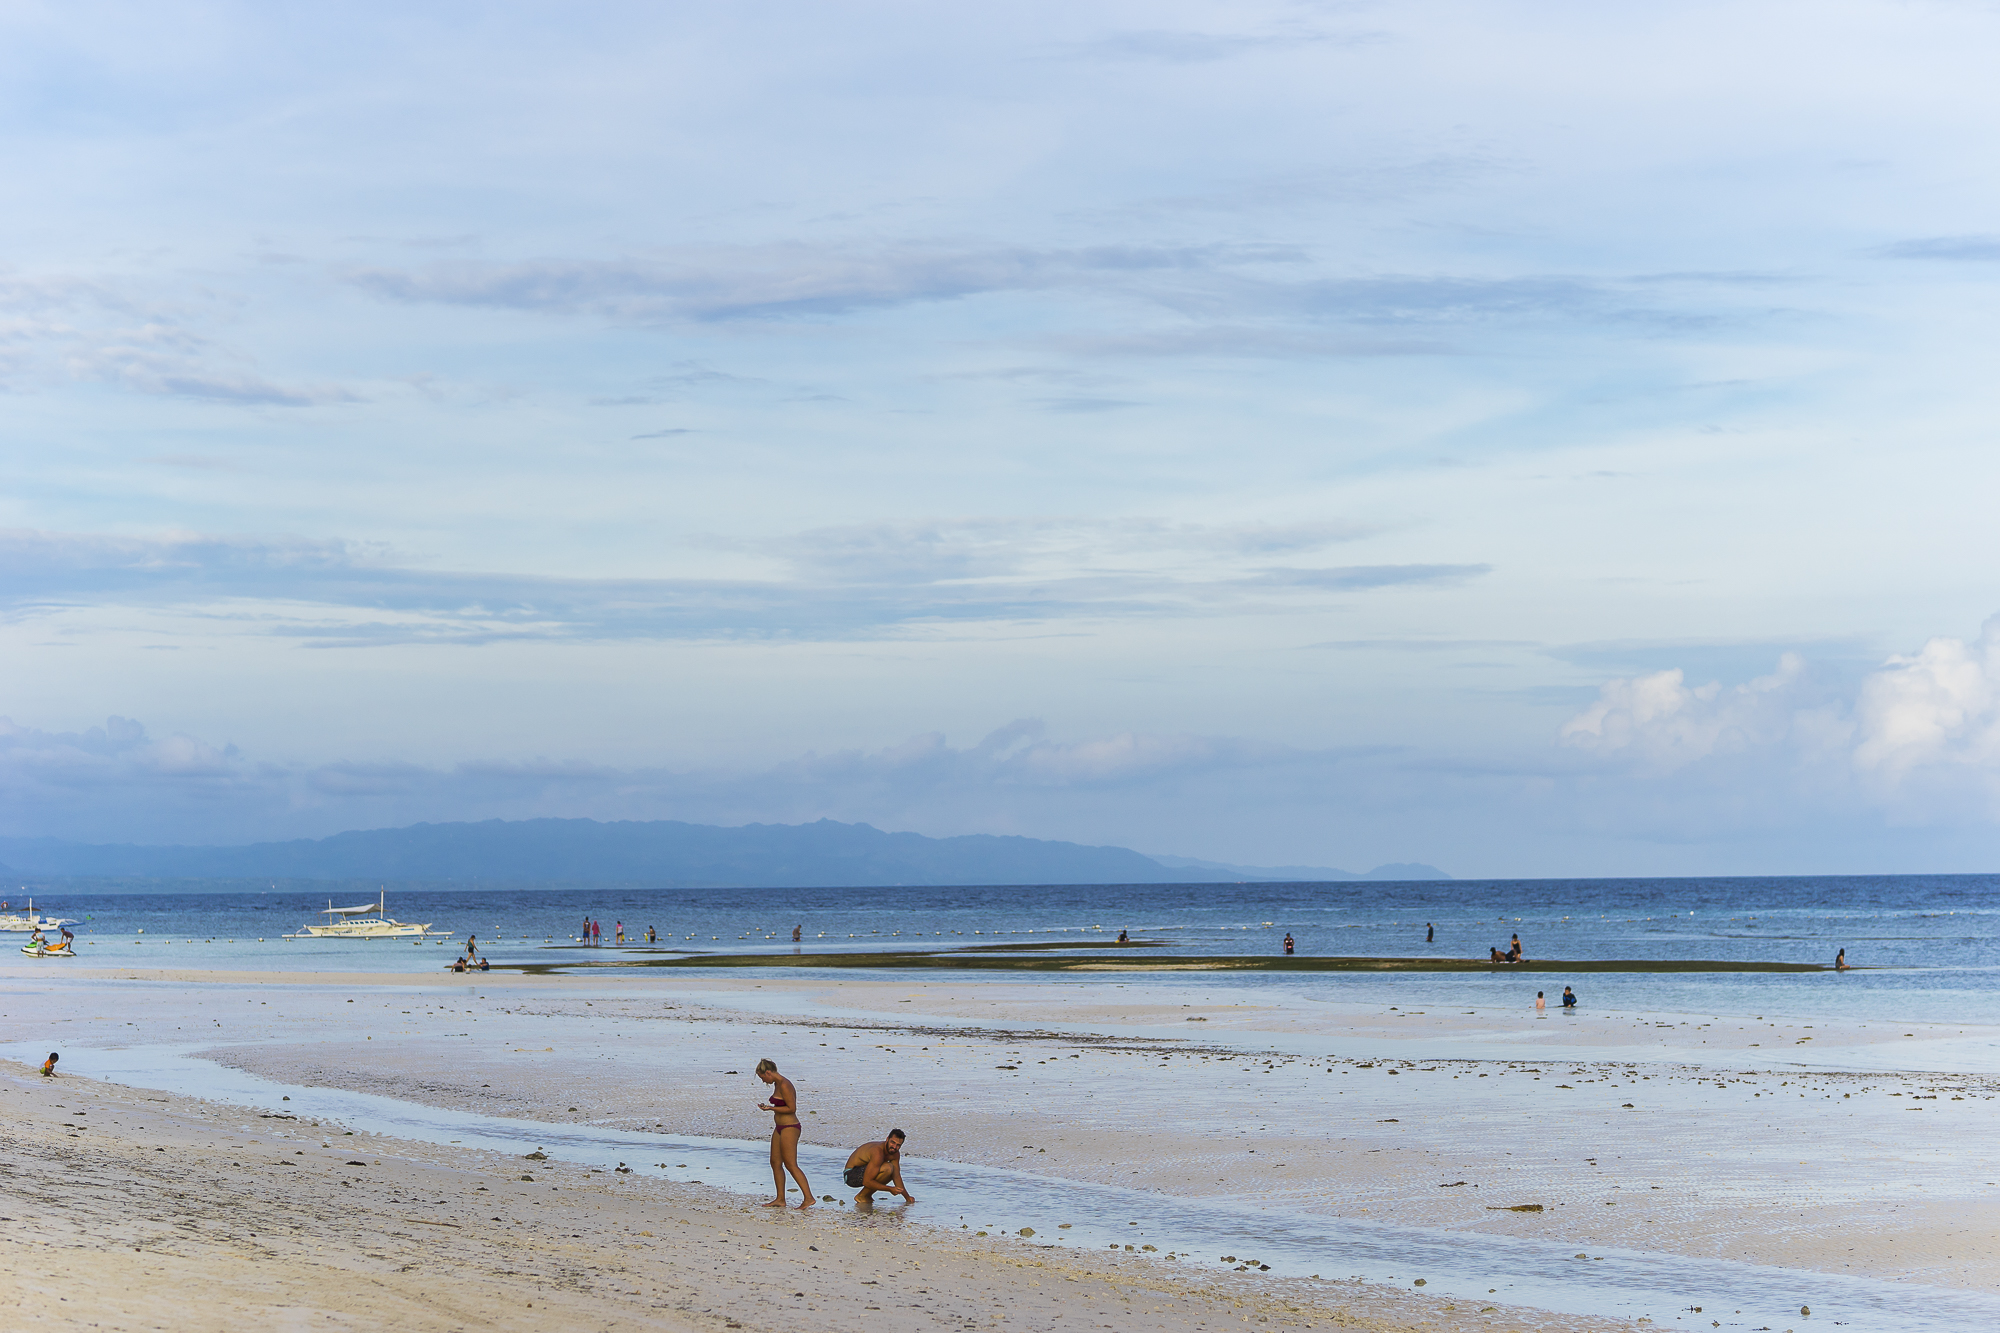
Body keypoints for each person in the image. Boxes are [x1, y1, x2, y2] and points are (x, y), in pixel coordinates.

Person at [755, 1059, 815, 1208]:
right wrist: (770, 1107)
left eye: (763, 1077)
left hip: (790, 1127)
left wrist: (770, 1109)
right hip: (779, 1127)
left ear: (768, 1072)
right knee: (775, 1162)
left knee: (790, 1164)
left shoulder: (785, 1085)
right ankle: (780, 1199)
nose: (763, 1081)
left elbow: (791, 1108)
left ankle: (809, 1198)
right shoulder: (777, 1084)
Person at [844, 1130, 913, 1204]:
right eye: (892, 1142)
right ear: (887, 1139)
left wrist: (907, 1198)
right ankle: (861, 1196)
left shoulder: (895, 1154)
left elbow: (896, 1177)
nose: (894, 1147)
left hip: (864, 1170)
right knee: (888, 1168)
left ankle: (867, 1195)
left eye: (898, 1145)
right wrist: (890, 1189)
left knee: (892, 1171)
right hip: (850, 1175)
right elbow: (866, 1182)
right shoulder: (877, 1152)